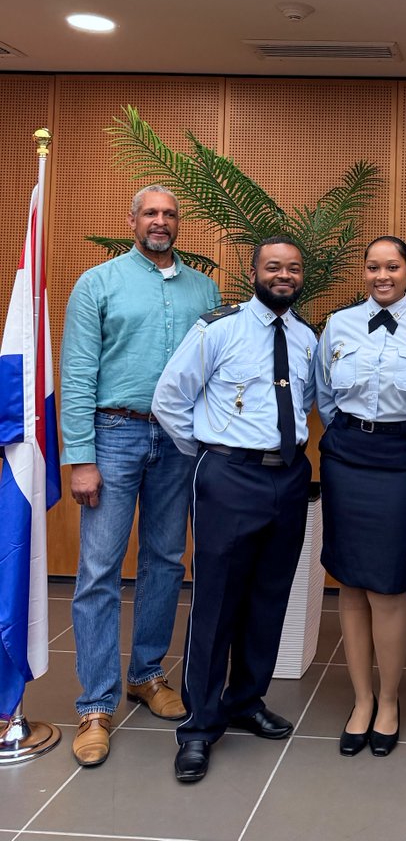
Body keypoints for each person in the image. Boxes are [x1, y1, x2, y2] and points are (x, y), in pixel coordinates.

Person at [60, 185, 220, 767]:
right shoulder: (97, 283)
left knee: (166, 560)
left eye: (170, 213)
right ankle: (95, 704)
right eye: (150, 212)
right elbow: (77, 373)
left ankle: (146, 674)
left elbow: (214, 372)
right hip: (113, 435)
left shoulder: (205, 289)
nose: (161, 220)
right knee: (100, 569)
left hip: (180, 442)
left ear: (179, 223)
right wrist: (81, 457)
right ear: (131, 221)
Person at [151, 236, 317, 783]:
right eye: (274, 267)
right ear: (254, 272)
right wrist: (209, 456)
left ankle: (246, 700)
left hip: (288, 477)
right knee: (217, 602)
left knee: (270, 598)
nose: (284, 275)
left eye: (293, 268)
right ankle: (198, 727)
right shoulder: (217, 328)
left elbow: (308, 404)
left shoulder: (305, 337)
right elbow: (169, 398)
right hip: (228, 477)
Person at [316, 235, 406, 757]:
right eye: (372, 267)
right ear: (363, 272)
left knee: (387, 584)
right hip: (347, 458)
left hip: (404, 460)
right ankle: (360, 700)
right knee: (349, 580)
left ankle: (389, 701)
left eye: (392, 266)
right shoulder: (338, 325)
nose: (382, 275)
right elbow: (324, 394)